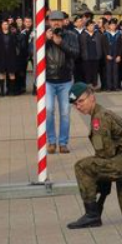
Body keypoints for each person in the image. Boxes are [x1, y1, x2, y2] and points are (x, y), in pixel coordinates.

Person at [65, 83, 122, 228]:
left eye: (81, 101)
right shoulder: (101, 114)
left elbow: (105, 155)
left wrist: (101, 179)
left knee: (82, 167)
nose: (78, 106)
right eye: (75, 104)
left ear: (92, 98)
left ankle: (91, 215)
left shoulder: (99, 119)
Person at [45, 11, 78, 154]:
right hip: (48, 80)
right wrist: (45, 40)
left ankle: (63, 143)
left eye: (59, 20)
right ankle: (51, 141)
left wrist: (61, 43)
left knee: (65, 112)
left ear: (64, 21)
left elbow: (76, 54)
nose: (56, 23)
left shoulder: (71, 35)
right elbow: (31, 53)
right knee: (48, 110)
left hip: (65, 80)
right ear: (49, 22)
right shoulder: (41, 34)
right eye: (53, 20)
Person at [0, 20, 19, 96]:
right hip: (1, 57)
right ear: (1, 25)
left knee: (12, 74)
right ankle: (2, 91)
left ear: (8, 25)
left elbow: (16, 45)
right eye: (3, 24)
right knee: (2, 74)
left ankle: (11, 91)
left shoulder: (12, 34)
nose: (5, 25)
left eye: (6, 24)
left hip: (11, 57)